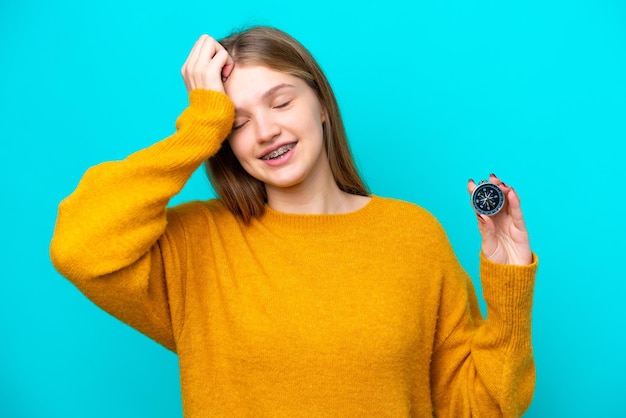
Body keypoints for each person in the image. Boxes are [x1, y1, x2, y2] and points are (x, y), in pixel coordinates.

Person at [50, 26, 538, 417]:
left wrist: (509, 283)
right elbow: (79, 245)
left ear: (321, 104)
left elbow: (481, 409)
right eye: (236, 123)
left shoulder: (413, 235)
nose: (265, 132)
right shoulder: (198, 244)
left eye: (280, 102)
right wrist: (200, 125)